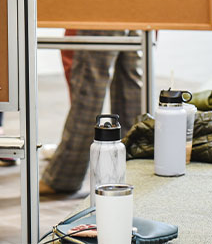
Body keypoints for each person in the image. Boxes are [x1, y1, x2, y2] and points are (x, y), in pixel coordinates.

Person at [39, 29, 142, 194]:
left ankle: (64, 177)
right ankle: (134, 170)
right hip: (136, 7)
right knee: (131, 83)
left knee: (90, 82)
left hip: (104, 11)